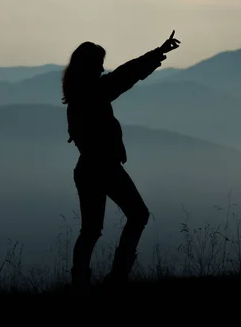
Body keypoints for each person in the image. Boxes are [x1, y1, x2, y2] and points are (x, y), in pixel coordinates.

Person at [62, 30, 181, 290]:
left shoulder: (77, 97)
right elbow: (126, 76)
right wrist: (157, 53)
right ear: (89, 66)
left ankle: (80, 282)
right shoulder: (94, 94)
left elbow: (123, 76)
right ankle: (117, 277)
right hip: (104, 167)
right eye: (98, 64)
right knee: (138, 215)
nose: (103, 68)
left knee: (91, 230)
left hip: (87, 169)